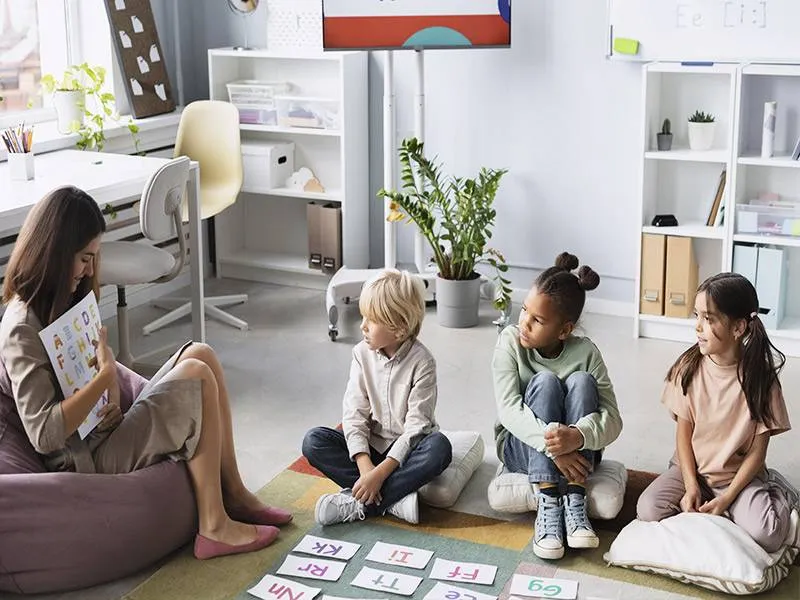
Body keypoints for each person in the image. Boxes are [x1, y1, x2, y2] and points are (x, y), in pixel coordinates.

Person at [0, 186, 292, 560]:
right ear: (55, 253)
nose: (91, 270)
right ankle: (214, 526)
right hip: (83, 458)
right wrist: (104, 381)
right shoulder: (21, 327)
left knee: (202, 354)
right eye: (84, 258)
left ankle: (233, 493)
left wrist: (106, 397)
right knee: (196, 376)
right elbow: (43, 435)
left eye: (95, 257)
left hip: (103, 432)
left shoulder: (61, 303)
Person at [636, 273, 794, 553]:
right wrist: (690, 485)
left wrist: (729, 497)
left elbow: (758, 453)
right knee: (648, 509)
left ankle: (778, 491)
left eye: (708, 319)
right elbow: (683, 437)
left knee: (768, 533)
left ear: (738, 328)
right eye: (696, 316)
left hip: (738, 478)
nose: (698, 327)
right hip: (692, 469)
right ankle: (719, 504)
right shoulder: (687, 368)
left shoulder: (761, 380)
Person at [492, 252, 622, 560]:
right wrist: (556, 448)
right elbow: (509, 410)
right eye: (524, 311)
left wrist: (576, 437)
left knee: (581, 382)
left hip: (576, 451)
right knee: (546, 383)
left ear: (564, 330)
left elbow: (613, 419)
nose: (524, 322)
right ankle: (548, 500)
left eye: (537, 320)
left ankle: (575, 498)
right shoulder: (509, 341)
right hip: (521, 447)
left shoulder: (587, 352)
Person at [302, 269, 452, 526]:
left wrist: (381, 474)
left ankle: (361, 505)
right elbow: (354, 414)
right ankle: (395, 501)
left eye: (371, 320)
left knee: (440, 448)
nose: (362, 325)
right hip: (371, 452)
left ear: (399, 328)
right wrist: (366, 469)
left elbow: (417, 428)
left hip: (407, 453)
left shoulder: (423, 363)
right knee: (313, 441)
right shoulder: (361, 354)